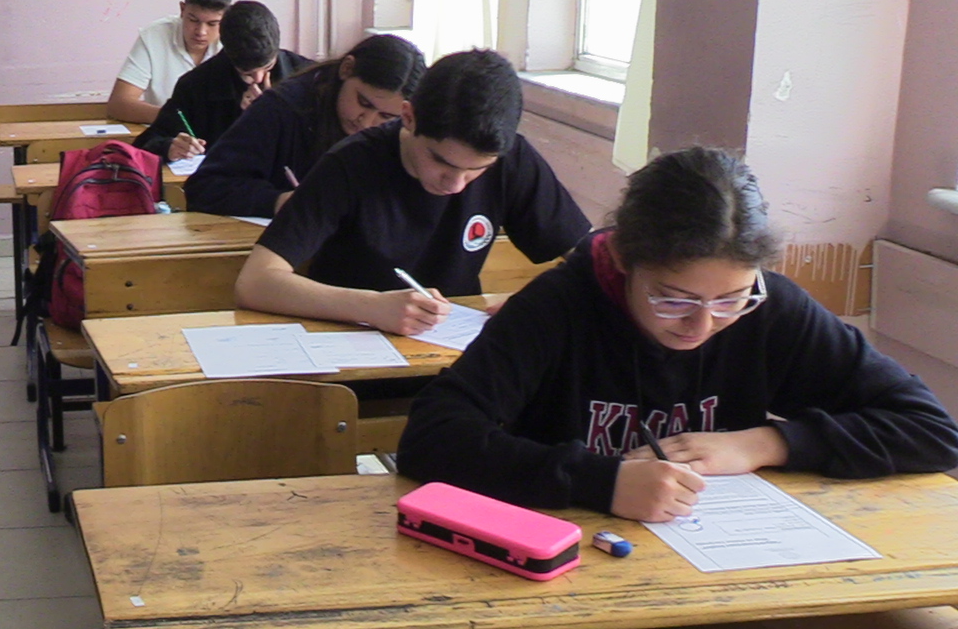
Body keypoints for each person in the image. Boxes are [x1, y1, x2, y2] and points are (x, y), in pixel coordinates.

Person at [396, 147, 958, 523]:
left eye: (731, 300)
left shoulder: (771, 309)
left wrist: (765, 444)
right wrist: (601, 482)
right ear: (623, 259)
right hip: (571, 557)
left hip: (722, 558)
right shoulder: (558, 306)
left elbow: (932, 430)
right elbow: (432, 436)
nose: (703, 324)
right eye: (674, 299)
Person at [233, 48, 589, 337]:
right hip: (356, 344)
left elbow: (591, 258)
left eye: (476, 170)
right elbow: (255, 282)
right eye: (441, 161)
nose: (455, 185)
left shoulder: (512, 159)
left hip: (455, 350)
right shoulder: (350, 164)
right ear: (408, 116)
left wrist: (537, 300)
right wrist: (372, 307)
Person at [183, 33, 424, 218]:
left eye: (386, 116)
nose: (367, 122)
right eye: (363, 102)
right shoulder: (282, 109)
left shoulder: (403, 132)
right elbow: (205, 187)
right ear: (346, 69)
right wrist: (278, 201)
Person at [133, 0, 306, 161]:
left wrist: (273, 115)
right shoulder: (197, 84)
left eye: (268, 67)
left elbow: (316, 146)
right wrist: (169, 147)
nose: (258, 79)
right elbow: (146, 143)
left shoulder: (307, 76)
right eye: (247, 73)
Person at [106, 0, 232, 125]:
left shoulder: (234, 42)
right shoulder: (154, 36)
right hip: (166, 135)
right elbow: (118, 104)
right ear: (182, 10)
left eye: (212, 24)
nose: (201, 32)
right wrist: (175, 118)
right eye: (193, 20)